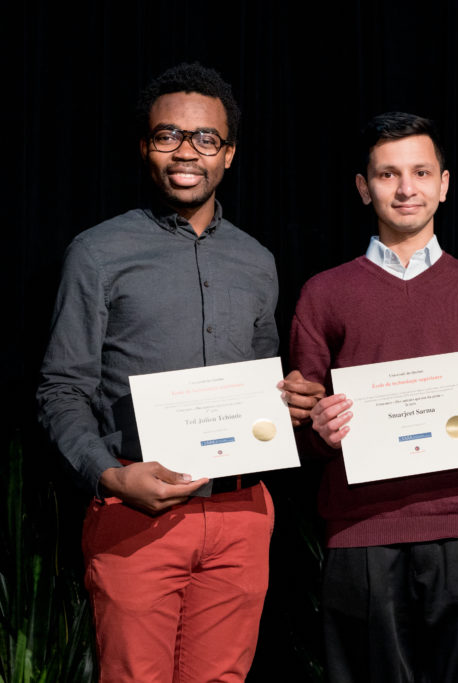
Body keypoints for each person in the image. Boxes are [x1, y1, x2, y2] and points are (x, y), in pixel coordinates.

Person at [36, 63, 322, 682]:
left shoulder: (257, 260)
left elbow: (263, 383)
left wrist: (290, 400)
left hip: (242, 513)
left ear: (229, 154)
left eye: (205, 139)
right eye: (168, 136)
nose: (186, 152)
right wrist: (111, 475)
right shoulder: (97, 252)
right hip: (136, 514)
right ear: (145, 146)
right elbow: (62, 389)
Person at [290, 112, 458, 683]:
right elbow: (300, 419)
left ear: (445, 183)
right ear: (364, 188)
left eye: (420, 172)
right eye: (388, 175)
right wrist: (318, 427)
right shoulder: (324, 293)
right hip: (361, 528)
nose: (406, 188)